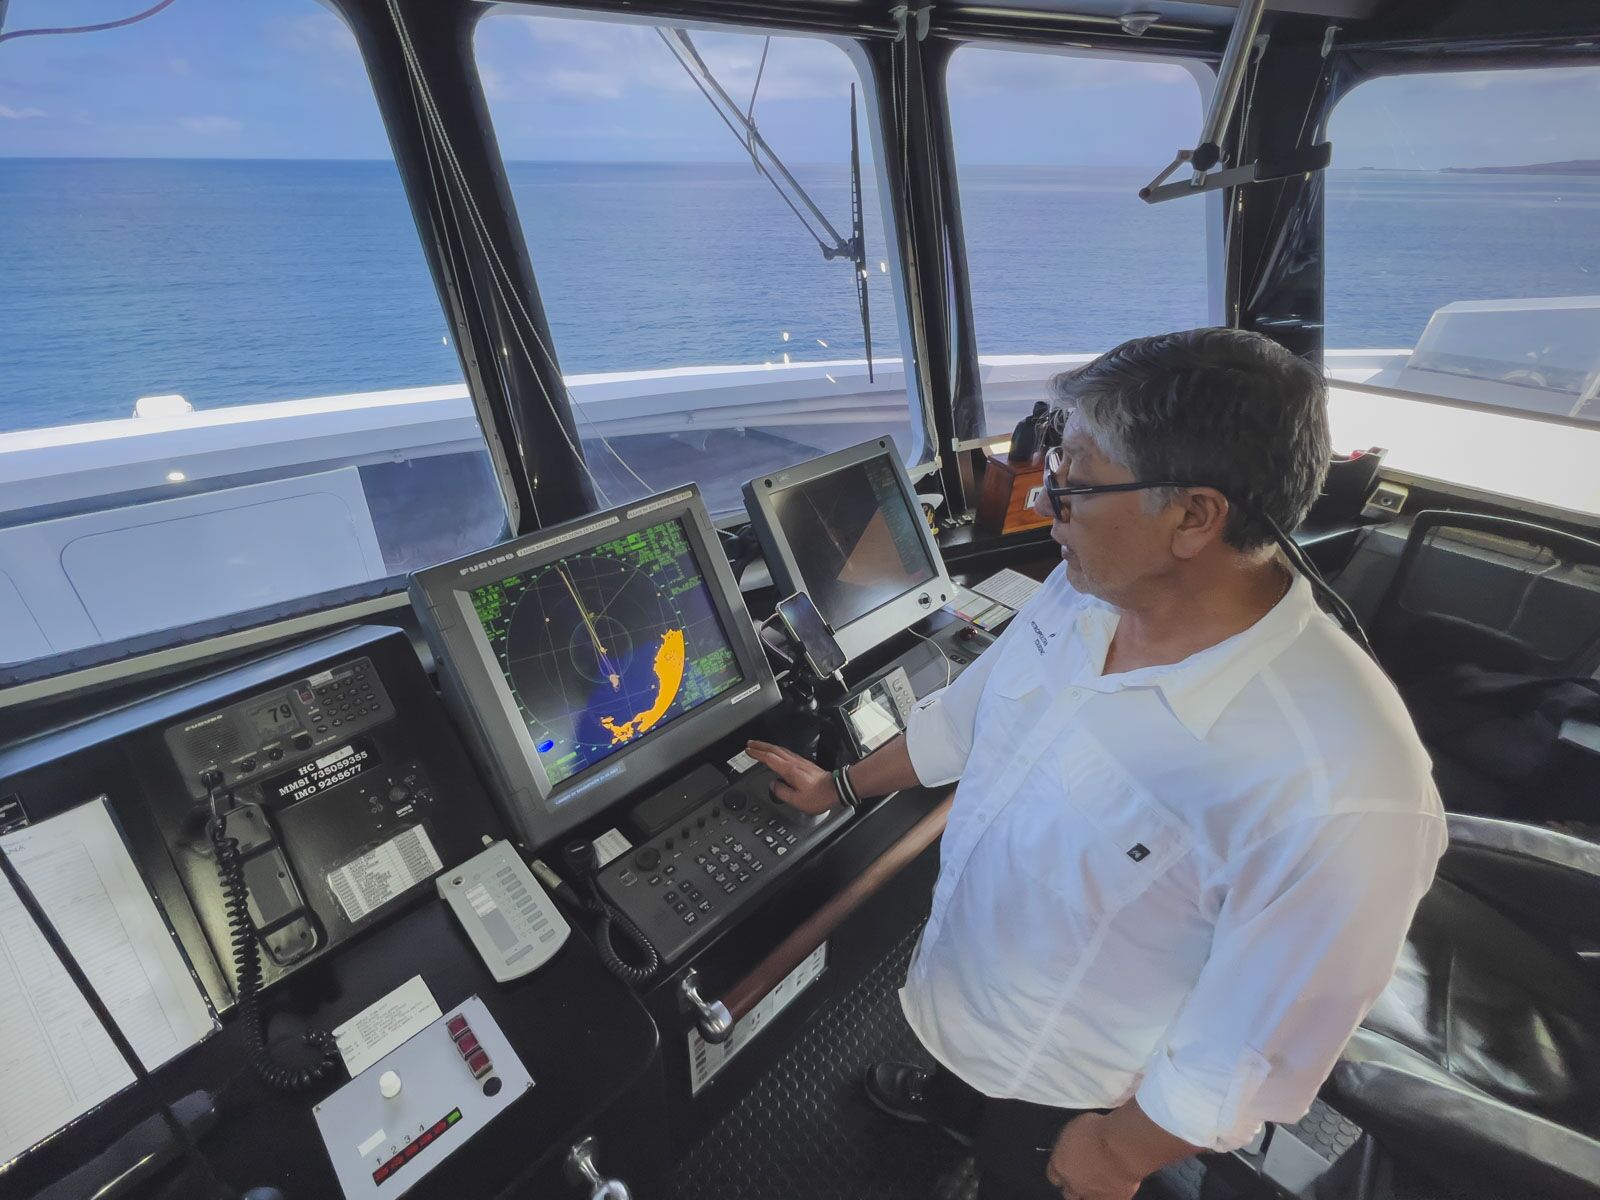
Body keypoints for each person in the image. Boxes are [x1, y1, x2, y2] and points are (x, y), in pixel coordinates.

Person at [747, 328, 1446, 1200]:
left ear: (1193, 515)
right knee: (966, 1094)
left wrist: (1118, 1153)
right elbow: (966, 721)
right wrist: (839, 786)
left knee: (1021, 1173)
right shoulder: (1088, 589)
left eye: (1072, 480)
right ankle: (953, 1100)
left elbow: (1254, 1040)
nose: (1047, 499)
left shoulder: (1340, 783)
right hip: (967, 982)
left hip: (1082, 1085)